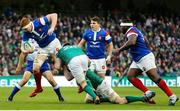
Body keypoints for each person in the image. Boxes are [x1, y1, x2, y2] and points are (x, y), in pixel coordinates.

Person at [60, 43, 155, 104]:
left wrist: (86, 88)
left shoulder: (77, 67)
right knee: (88, 101)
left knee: (120, 101)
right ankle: (102, 98)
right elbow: (69, 77)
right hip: (96, 86)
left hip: (101, 85)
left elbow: (78, 80)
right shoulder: (78, 65)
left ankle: (142, 98)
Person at [115, 22, 179, 106]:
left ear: (126, 26)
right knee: (130, 76)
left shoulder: (131, 30)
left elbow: (132, 42)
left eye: (122, 27)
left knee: (154, 77)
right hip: (138, 59)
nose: (120, 29)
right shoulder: (135, 30)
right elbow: (145, 40)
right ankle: (148, 92)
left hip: (144, 57)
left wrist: (120, 49)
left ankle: (171, 96)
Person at [20, 13, 61, 95]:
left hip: (54, 43)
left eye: (26, 28)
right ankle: (39, 87)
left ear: (29, 24)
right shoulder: (26, 33)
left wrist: (52, 27)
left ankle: (80, 83)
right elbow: (24, 47)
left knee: (59, 66)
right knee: (35, 68)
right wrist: (29, 50)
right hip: (43, 49)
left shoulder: (39, 22)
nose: (25, 30)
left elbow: (54, 15)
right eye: (24, 29)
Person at [78, 16, 113, 93]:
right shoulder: (87, 33)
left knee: (101, 79)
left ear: (99, 24)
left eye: (94, 23)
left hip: (101, 59)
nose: (91, 24)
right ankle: (90, 91)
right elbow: (81, 44)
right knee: (89, 76)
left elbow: (110, 44)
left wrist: (109, 56)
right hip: (90, 59)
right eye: (91, 23)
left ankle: (101, 94)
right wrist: (79, 54)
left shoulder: (104, 33)